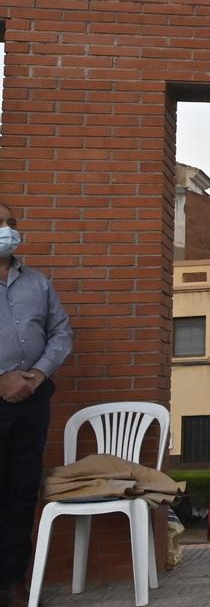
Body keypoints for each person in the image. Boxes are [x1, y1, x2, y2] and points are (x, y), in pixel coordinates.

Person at [0, 202, 74, 607]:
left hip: (32, 400)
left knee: (22, 491)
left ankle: (12, 581)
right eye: (0, 224)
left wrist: (38, 374)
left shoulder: (38, 283)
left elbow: (61, 331)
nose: (8, 230)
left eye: (12, 223)